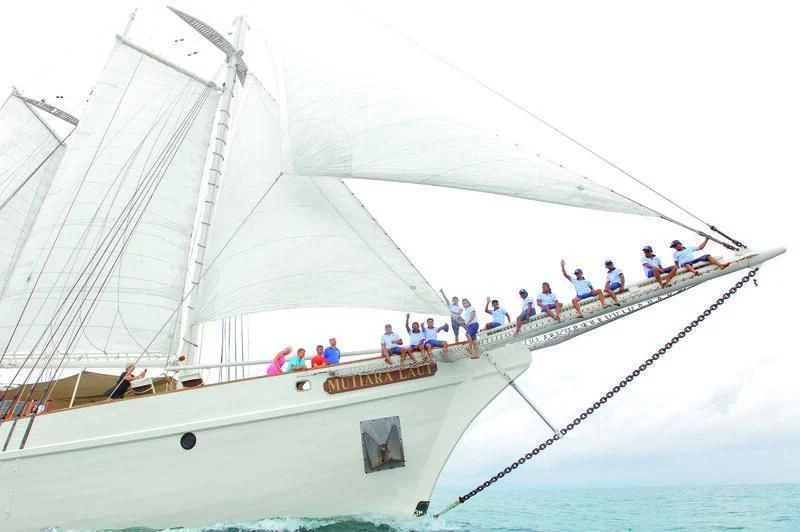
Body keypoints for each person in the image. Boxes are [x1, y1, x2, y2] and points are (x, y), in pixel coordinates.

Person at [662, 238, 730, 286]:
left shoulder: (689, 248)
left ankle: (720, 265)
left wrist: (706, 239)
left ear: (680, 244)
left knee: (707, 256)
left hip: (693, 261)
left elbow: (700, 247)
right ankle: (695, 272)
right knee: (686, 264)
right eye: (673, 247)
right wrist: (675, 270)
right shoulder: (675, 254)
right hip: (684, 264)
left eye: (675, 245)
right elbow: (676, 264)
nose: (675, 247)